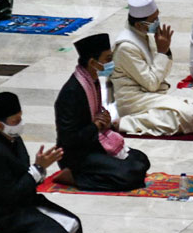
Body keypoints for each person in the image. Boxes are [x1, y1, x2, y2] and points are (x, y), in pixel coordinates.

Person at [0, 91, 84, 233]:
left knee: (74, 225)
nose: (20, 124)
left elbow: (25, 176)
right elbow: (10, 194)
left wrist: (40, 168)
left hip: (25, 202)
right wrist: (37, 169)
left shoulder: (14, 138)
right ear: (0, 125)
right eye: (16, 121)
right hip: (3, 215)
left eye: (21, 118)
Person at [53, 33, 150, 192]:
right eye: (107, 59)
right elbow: (69, 139)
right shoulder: (72, 92)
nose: (111, 63)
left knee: (141, 160)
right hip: (76, 154)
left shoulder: (93, 81)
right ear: (93, 62)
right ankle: (73, 177)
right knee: (129, 176)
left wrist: (105, 122)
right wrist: (95, 126)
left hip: (94, 144)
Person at [112, 0, 193, 136]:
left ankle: (156, 116)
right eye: (154, 20)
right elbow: (151, 83)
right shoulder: (126, 47)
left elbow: (159, 75)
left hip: (152, 94)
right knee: (191, 117)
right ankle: (128, 123)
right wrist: (162, 52)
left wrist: (163, 51)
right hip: (134, 100)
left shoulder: (143, 34)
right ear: (140, 24)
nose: (157, 22)